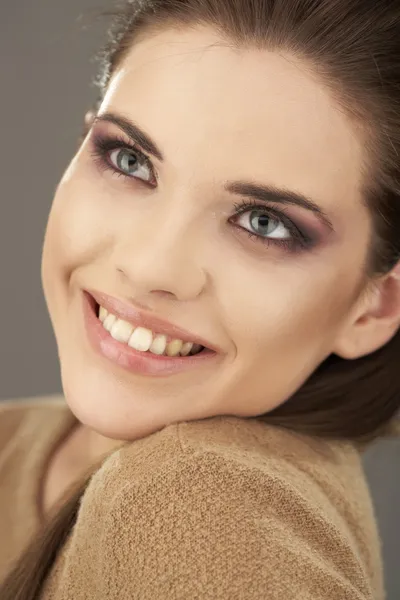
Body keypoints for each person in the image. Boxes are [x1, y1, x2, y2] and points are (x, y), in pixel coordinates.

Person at [0, 0, 399, 598]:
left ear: (375, 307)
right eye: (130, 160)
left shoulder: (210, 504)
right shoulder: (15, 437)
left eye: (264, 222)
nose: (149, 265)